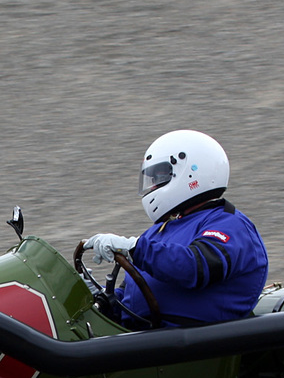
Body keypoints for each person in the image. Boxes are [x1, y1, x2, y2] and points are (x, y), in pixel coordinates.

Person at [82, 130, 268, 329]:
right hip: (145, 340)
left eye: (159, 177)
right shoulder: (159, 231)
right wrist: (97, 296)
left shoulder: (229, 224)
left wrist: (134, 248)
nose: (152, 186)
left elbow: (194, 268)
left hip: (196, 345)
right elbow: (132, 300)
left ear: (190, 172)